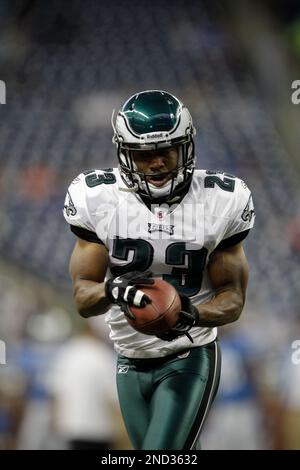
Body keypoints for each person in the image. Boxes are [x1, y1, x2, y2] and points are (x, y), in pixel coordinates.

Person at [63, 90, 255, 450]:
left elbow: (233, 299)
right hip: (128, 356)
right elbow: (83, 297)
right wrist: (112, 290)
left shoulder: (223, 199)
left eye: (166, 150)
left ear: (187, 146)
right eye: (144, 153)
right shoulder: (97, 198)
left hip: (189, 352)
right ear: (124, 153)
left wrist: (191, 314)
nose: (156, 163)